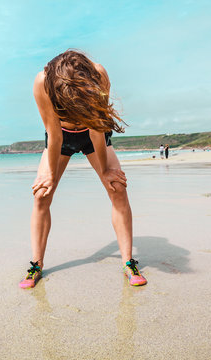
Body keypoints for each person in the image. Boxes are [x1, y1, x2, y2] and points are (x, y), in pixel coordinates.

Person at [19, 50, 147, 289]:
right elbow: (54, 134)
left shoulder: (98, 74)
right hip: (61, 136)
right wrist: (48, 173)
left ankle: (128, 261)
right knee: (42, 195)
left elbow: (97, 129)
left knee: (117, 187)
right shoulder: (41, 82)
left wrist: (107, 170)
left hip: (93, 131)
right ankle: (36, 264)